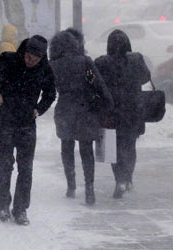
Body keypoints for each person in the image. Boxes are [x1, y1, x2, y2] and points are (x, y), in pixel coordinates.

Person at [0, 35, 56, 225]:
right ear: (24, 51)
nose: (31, 62)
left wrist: (39, 109)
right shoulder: (8, 60)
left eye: (36, 60)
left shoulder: (45, 69)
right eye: (29, 57)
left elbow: (51, 93)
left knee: (26, 168)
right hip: (4, 120)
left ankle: (20, 209)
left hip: (27, 123)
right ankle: (3, 204)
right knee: (5, 164)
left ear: (42, 58)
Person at [49, 31, 114, 205]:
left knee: (66, 147)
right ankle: (90, 189)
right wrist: (108, 105)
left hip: (64, 110)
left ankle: (71, 186)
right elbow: (96, 82)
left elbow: (48, 88)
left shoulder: (53, 65)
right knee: (86, 151)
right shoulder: (84, 63)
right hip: (85, 110)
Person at [95, 30, 151, 199]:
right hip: (133, 111)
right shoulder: (137, 59)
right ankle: (128, 178)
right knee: (130, 146)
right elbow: (145, 78)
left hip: (111, 113)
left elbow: (93, 81)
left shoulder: (101, 63)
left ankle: (119, 179)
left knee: (113, 149)